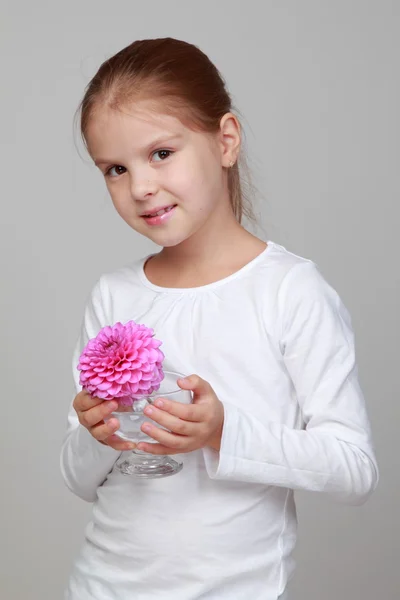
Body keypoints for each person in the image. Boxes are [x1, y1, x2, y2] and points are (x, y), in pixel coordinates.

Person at [60, 37, 378, 600]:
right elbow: (79, 479)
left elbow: (353, 469)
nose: (140, 187)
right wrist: (97, 433)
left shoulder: (289, 290)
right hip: (100, 587)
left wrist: (222, 432)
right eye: (114, 168)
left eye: (161, 153)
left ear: (225, 140)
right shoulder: (113, 295)